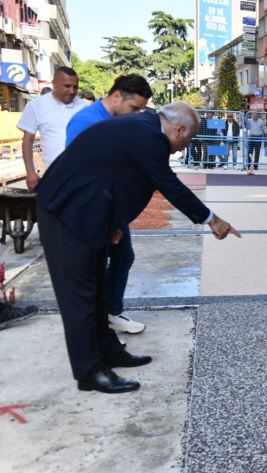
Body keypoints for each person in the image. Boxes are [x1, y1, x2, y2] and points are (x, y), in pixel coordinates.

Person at [35, 103, 240, 394]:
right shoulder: (148, 136)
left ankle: (108, 352)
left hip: (88, 211)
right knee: (79, 299)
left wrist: (114, 224)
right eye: (188, 140)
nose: (184, 147)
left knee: (98, 292)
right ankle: (89, 372)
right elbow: (168, 185)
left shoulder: (141, 129)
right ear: (179, 129)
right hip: (65, 212)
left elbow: (120, 181)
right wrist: (212, 220)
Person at [66, 74, 154, 335]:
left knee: (123, 256)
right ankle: (94, 325)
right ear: (117, 96)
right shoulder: (86, 122)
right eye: (134, 108)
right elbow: (81, 172)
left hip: (112, 205)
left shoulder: (118, 121)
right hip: (91, 207)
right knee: (93, 267)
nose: (137, 114)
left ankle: (111, 313)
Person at [17, 66, 87, 190]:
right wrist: (30, 172)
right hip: (53, 176)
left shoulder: (83, 107)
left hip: (82, 176)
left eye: (75, 87)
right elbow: (27, 141)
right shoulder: (36, 106)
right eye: (67, 86)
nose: (72, 91)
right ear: (54, 84)